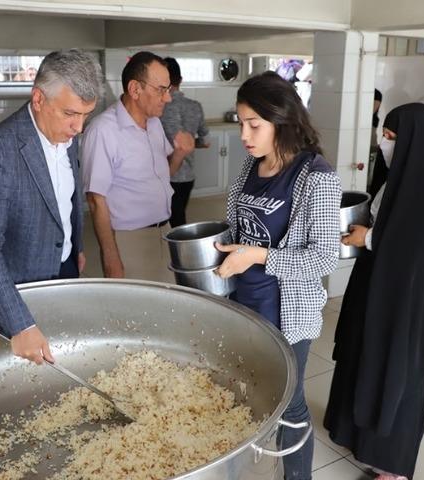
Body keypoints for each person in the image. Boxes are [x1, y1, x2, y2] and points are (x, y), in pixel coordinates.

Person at [324, 103, 424, 480]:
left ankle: (393, 467)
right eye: (383, 136)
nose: (384, 144)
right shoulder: (398, 177)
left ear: (414, 141)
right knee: (366, 356)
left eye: (391, 137)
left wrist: (370, 237)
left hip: (410, 303)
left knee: (397, 373)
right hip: (381, 285)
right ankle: (359, 437)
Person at [214, 71, 342, 480]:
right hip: (244, 304)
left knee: (290, 403)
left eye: (255, 125)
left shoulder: (315, 177)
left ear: (282, 120)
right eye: (241, 123)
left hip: (287, 316)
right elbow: (241, 226)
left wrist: (257, 255)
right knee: (245, 394)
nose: (245, 135)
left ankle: (297, 476)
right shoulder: (252, 166)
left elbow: (323, 258)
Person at [0, 49, 102, 364]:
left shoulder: (69, 136)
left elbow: (66, 198)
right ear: (38, 99)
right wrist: (20, 323)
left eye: (86, 115)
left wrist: (72, 245)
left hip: (62, 269)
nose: (79, 128)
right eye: (70, 114)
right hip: (17, 285)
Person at [82, 51, 194, 280]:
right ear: (135, 89)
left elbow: (163, 175)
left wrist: (180, 155)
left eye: (168, 89)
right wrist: (111, 258)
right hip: (128, 240)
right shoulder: (103, 130)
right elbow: (95, 200)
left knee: (167, 306)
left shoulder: (154, 124)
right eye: (161, 90)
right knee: (135, 313)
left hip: (164, 232)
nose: (168, 98)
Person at [159, 57, 210, 228]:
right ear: (180, 80)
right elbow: (206, 140)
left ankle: (178, 252)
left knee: (168, 222)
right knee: (178, 218)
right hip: (187, 176)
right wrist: (190, 144)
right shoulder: (196, 106)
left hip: (163, 174)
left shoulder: (159, 107)